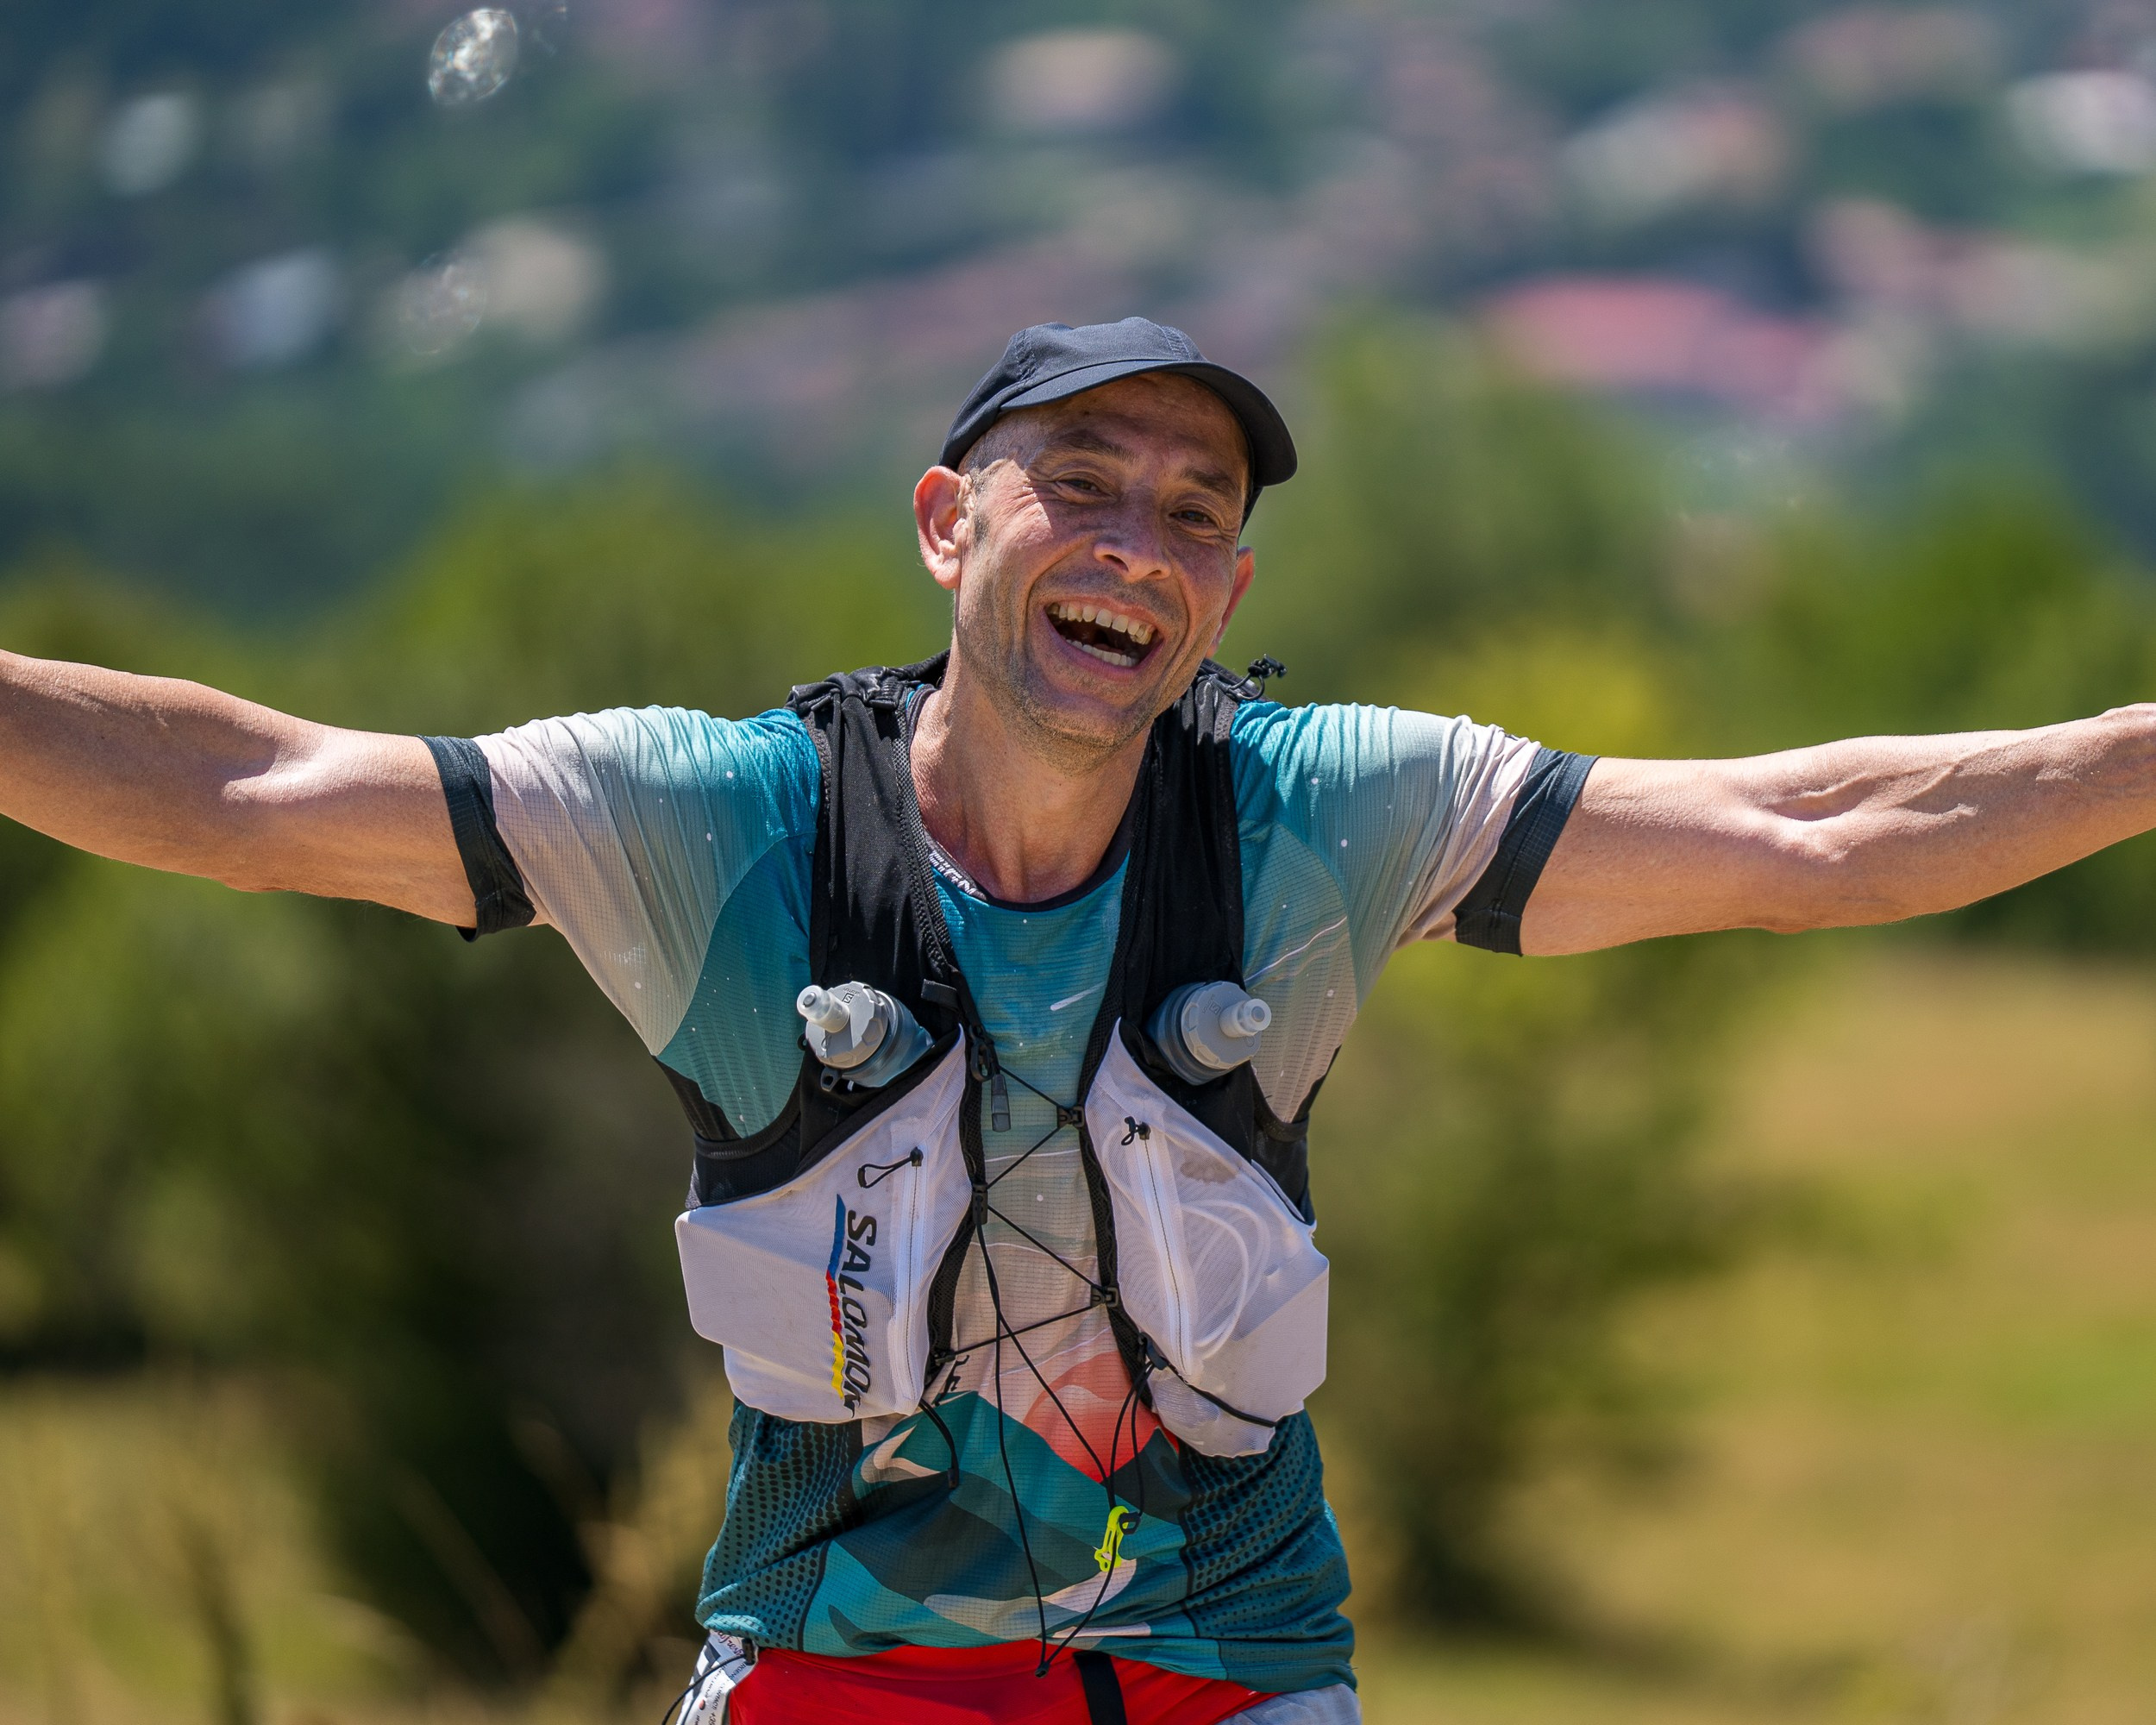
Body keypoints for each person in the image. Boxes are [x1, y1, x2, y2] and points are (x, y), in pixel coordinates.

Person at [3, 317, 2153, 1725]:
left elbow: (1811, 833)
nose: (1139, 538)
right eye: (1084, 481)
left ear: (1221, 599)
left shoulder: (1327, 809)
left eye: (1195, 515)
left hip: (1231, 1667)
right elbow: (247, 786)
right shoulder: (713, 821)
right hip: (821, 1670)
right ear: (948, 527)